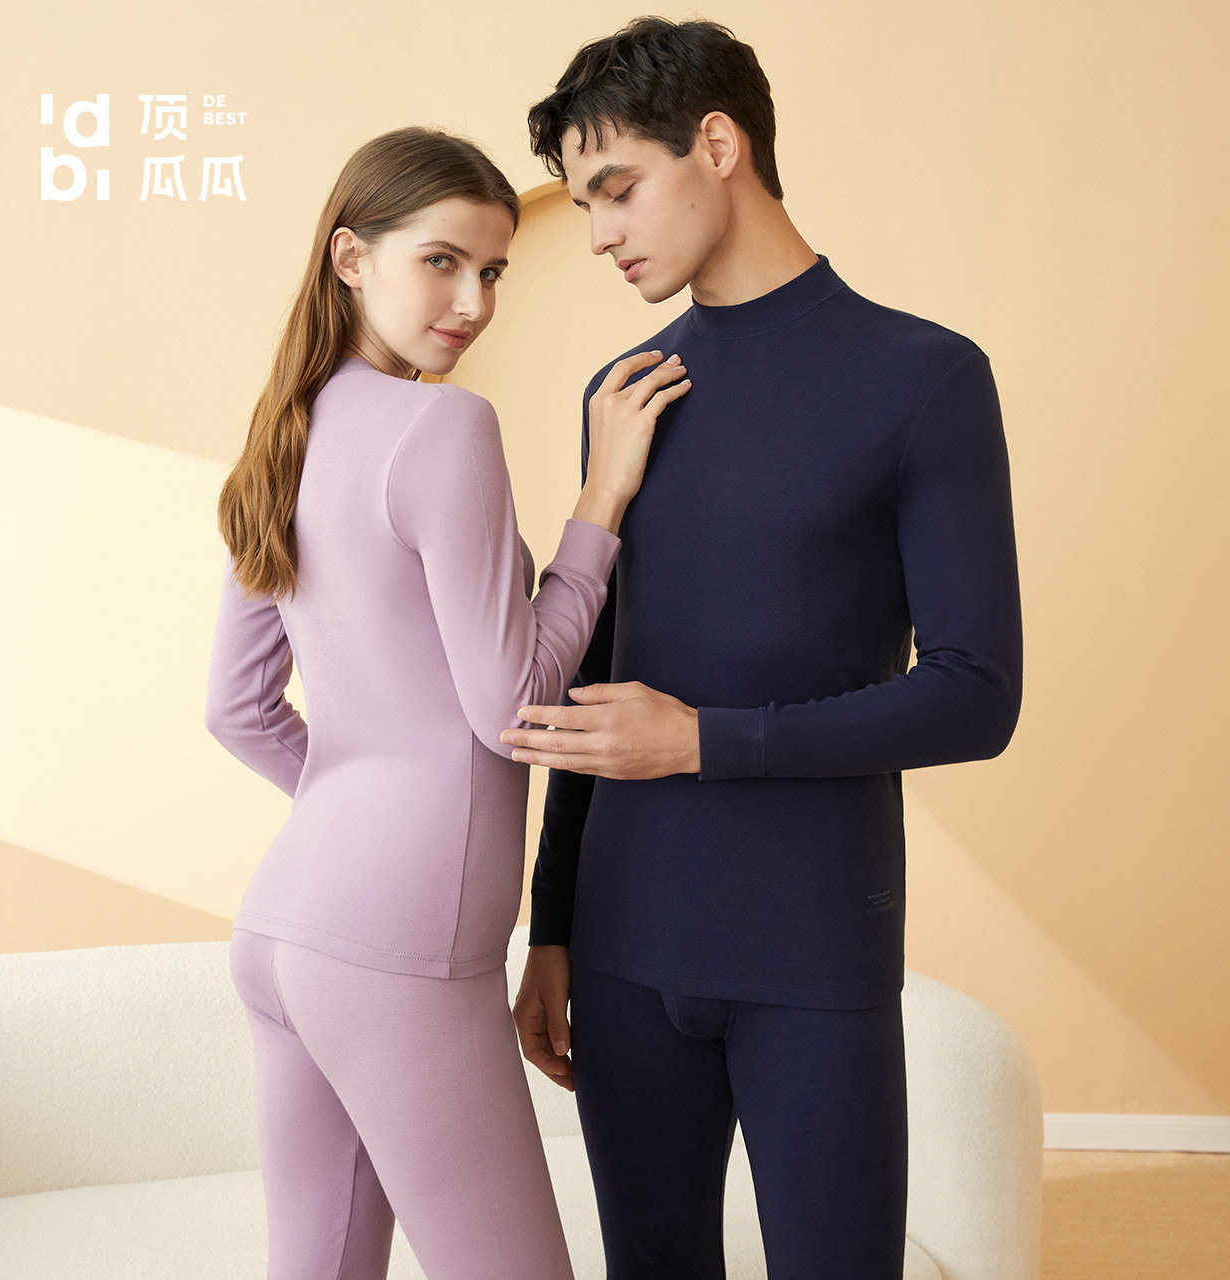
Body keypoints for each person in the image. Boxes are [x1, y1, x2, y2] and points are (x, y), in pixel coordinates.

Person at [504, 17, 1023, 1280]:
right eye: (583, 201)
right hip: (624, 946)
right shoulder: (624, 392)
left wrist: (699, 739)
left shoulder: (922, 378)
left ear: (718, 144)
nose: (599, 232)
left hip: (811, 944)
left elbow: (974, 694)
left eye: (617, 187)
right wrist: (550, 922)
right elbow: (587, 679)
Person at [203, 125, 690, 1280]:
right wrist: (599, 502)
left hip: (282, 925)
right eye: (441, 262)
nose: (472, 302)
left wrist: (353, 815)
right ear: (350, 257)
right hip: (398, 940)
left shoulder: (287, 429)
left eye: (492, 270)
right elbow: (512, 701)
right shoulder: (442, 425)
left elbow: (237, 708)